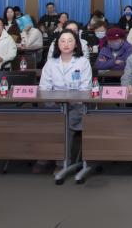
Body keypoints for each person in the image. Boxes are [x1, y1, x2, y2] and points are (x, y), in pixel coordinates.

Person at [35, 28, 91, 173]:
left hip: (77, 106)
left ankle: (62, 163)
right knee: (45, 122)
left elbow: (85, 89)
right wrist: (54, 101)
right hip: (54, 105)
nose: (66, 44)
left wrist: (70, 100)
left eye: (70, 41)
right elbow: (44, 88)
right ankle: (45, 157)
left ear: (76, 44)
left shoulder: (83, 62)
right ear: (57, 44)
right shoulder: (51, 63)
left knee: (65, 123)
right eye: (63, 41)